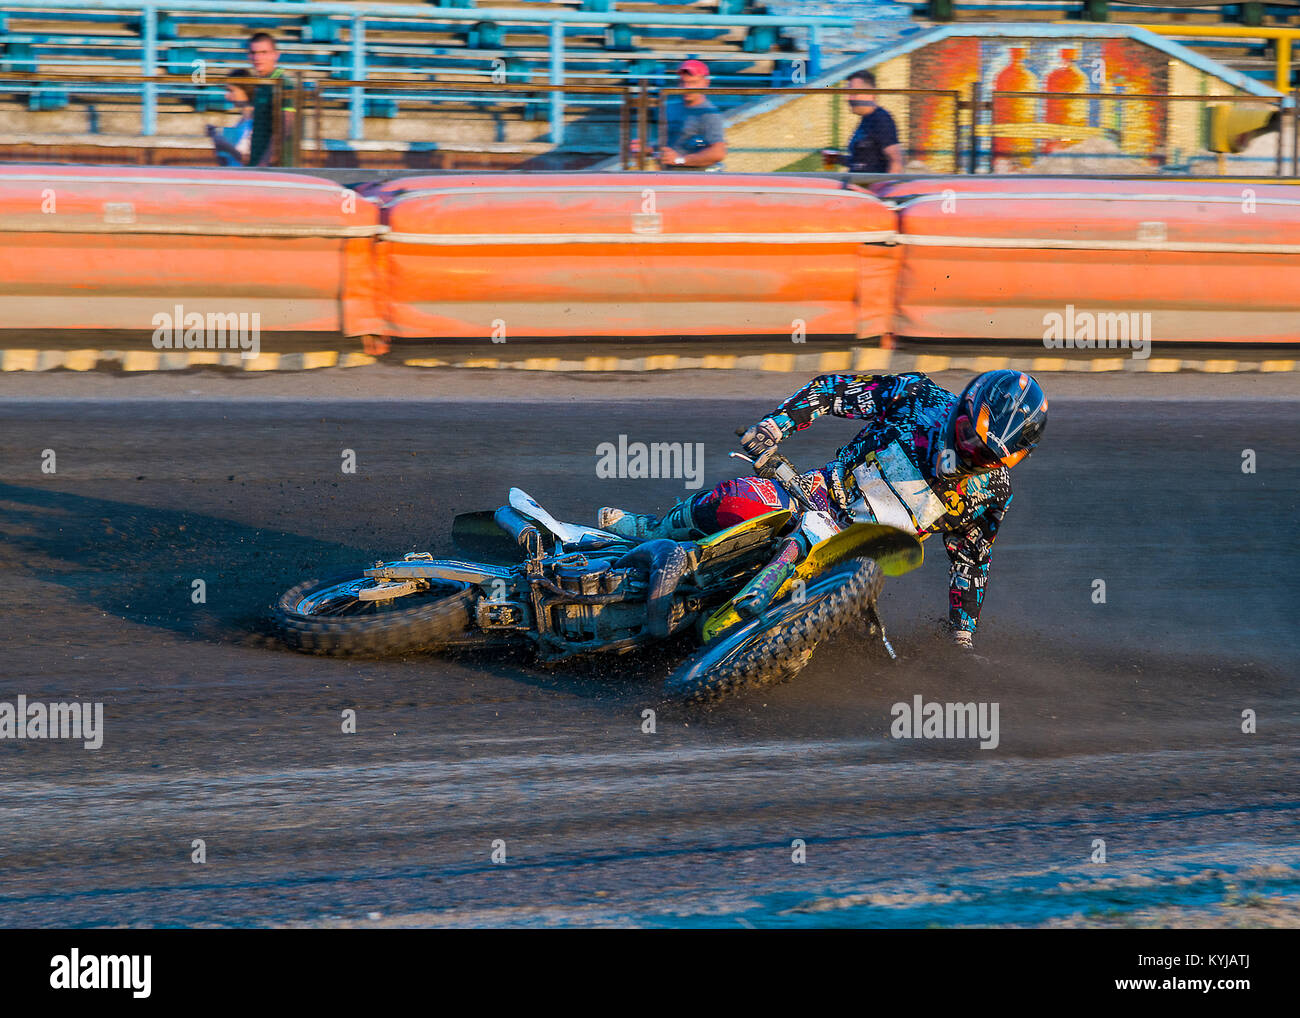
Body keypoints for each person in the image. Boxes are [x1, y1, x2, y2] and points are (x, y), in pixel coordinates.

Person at [597, 370, 1047, 650]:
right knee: (741, 497)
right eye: (968, 433)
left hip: (855, 565)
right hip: (808, 498)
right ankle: (648, 530)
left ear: (1008, 460)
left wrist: (962, 635)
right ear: (964, 408)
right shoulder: (920, 398)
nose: (967, 450)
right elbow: (833, 391)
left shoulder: (994, 491)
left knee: (858, 657)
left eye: (982, 453)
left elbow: (971, 560)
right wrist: (775, 425)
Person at [658, 59, 727, 171]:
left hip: (696, 178)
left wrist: (679, 160)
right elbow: (668, 143)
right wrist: (645, 148)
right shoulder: (672, 108)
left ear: (706, 83)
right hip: (672, 176)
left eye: (692, 83)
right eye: (682, 82)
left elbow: (718, 153)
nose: (686, 87)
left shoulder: (709, 113)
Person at [835, 70, 903, 174]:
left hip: (870, 188)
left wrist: (884, 188)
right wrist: (837, 159)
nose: (848, 98)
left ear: (871, 94)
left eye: (853, 93)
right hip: (857, 186)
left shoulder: (881, 119)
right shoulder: (866, 119)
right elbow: (862, 162)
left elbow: (896, 161)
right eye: (847, 93)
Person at [246, 32, 296, 167]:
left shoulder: (283, 84)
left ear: (276, 54)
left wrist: (264, 162)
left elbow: (286, 126)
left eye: (264, 52)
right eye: (253, 52)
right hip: (258, 163)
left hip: (275, 167)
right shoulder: (261, 84)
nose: (257, 57)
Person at [206, 71, 254, 167]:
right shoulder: (241, 121)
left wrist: (225, 145)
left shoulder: (254, 122)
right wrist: (216, 140)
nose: (226, 96)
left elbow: (248, 161)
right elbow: (224, 161)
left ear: (246, 90)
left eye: (231, 91)